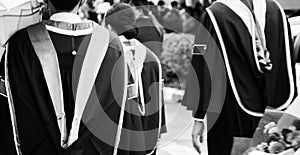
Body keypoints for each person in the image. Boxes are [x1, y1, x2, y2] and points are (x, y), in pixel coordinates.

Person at [2, 0, 132, 154]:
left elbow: (6, 113)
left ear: (45, 1)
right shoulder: (112, 47)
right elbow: (123, 114)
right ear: (83, 1)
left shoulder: (20, 45)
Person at [183, 0, 297, 154]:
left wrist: (198, 116)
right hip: (272, 110)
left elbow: (203, 65)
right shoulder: (276, 9)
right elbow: (287, 58)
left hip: (230, 111)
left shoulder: (215, 14)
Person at [105, 3, 166, 155]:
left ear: (109, 27)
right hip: (142, 141)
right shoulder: (152, 59)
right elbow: (157, 107)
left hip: (111, 141)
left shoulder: (104, 56)